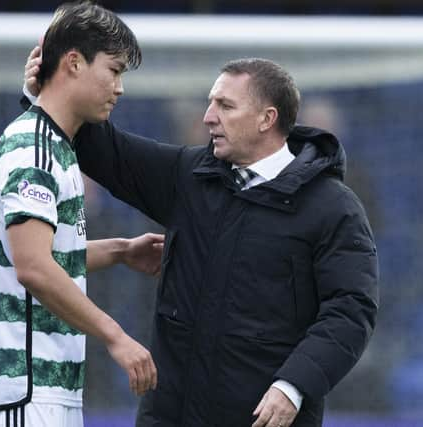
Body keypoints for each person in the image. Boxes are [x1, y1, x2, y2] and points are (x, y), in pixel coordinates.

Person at [25, 50, 379, 426]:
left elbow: (351, 310)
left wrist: (294, 385)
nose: (208, 117)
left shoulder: (333, 207)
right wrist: (49, 95)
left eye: (225, 106)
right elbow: (104, 150)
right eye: (211, 103)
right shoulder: (189, 175)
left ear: (267, 118)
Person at [0, 3, 161, 426]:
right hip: (17, 384)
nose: (119, 88)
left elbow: (48, 256)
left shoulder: (57, 147)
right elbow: (33, 267)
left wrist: (121, 250)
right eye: (114, 70)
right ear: (74, 62)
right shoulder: (33, 149)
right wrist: (115, 335)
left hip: (40, 386)